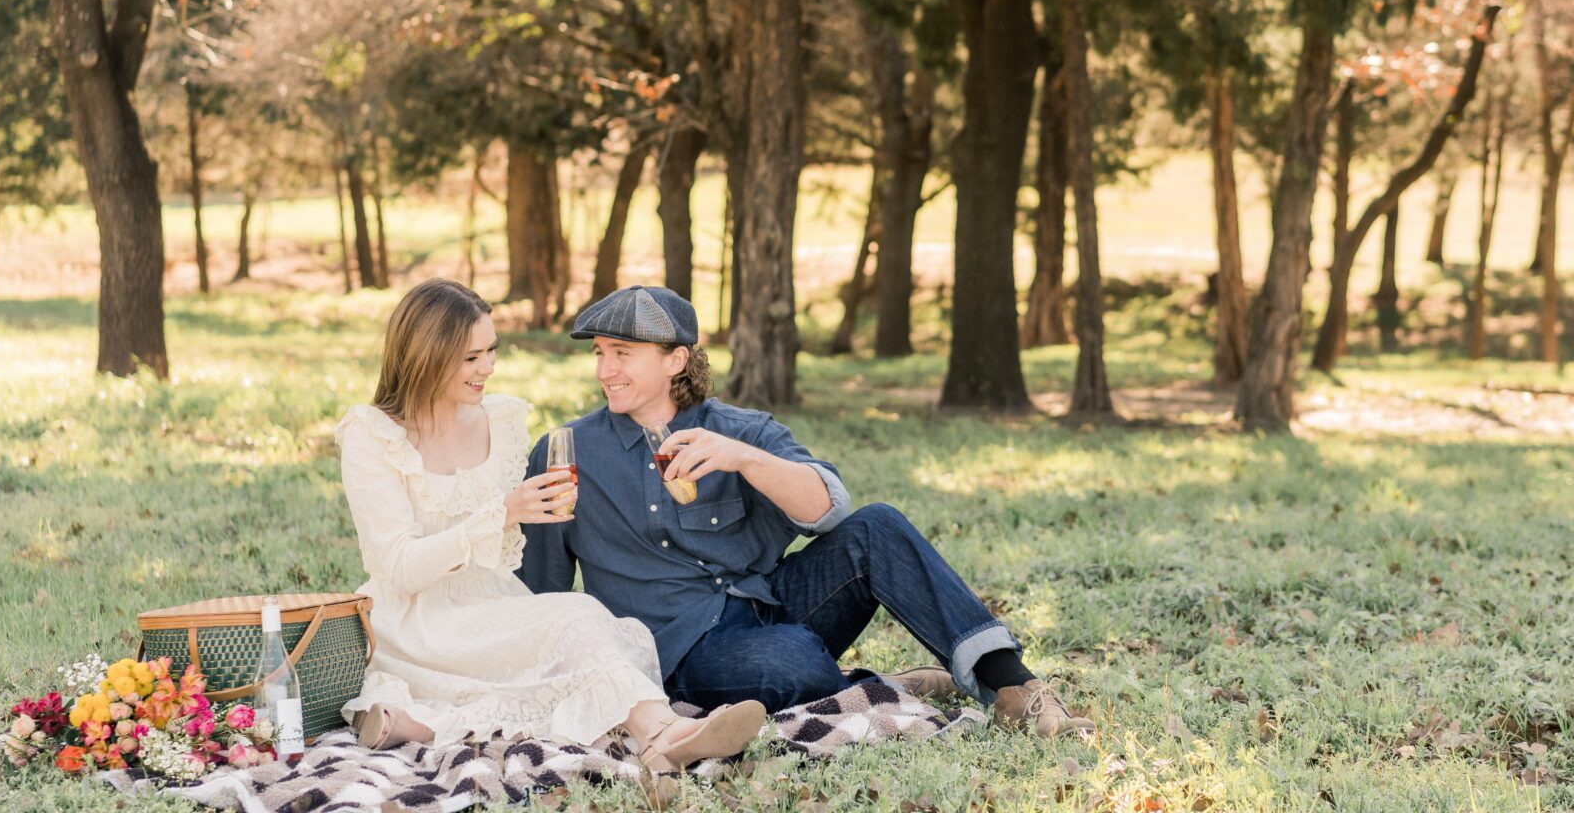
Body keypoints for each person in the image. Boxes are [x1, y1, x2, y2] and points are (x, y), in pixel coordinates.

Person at [519, 285, 1094, 737]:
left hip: (770, 605)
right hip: (677, 646)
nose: (604, 370)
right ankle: (872, 684)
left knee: (878, 525)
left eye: (622, 353)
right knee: (788, 662)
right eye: (599, 353)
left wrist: (743, 460)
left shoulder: (740, 430)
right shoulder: (567, 452)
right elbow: (539, 591)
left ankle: (1014, 688)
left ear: (676, 360)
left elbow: (829, 508)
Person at [334, 278, 768, 771]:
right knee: (575, 619)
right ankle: (664, 733)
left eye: (491, 351)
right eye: (471, 357)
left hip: (490, 605)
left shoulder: (500, 420)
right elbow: (397, 568)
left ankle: (414, 724)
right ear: (427, 356)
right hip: (413, 621)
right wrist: (503, 514)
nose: (488, 368)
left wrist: (543, 516)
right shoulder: (372, 435)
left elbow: (508, 558)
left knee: (587, 630)